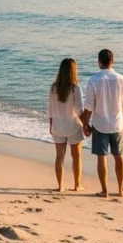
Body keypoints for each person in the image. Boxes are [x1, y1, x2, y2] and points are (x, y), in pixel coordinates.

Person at [81, 49, 123, 198]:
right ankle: (121, 189)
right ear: (113, 61)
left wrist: (85, 124)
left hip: (100, 124)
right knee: (119, 156)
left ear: (99, 62)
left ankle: (104, 190)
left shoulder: (94, 80)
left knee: (101, 157)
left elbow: (89, 105)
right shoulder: (122, 79)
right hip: (118, 124)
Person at [47, 58, 86, 192]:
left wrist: (51, 125)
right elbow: (80, 110)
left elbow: (50, 109)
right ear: (73, 71)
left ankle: (60, 186)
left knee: (59, 157)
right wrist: (86, 125)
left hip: (58, 126)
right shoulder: (75, 88)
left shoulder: (53, 87)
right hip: (73, 126)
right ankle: (77, 185)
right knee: (76, 157)